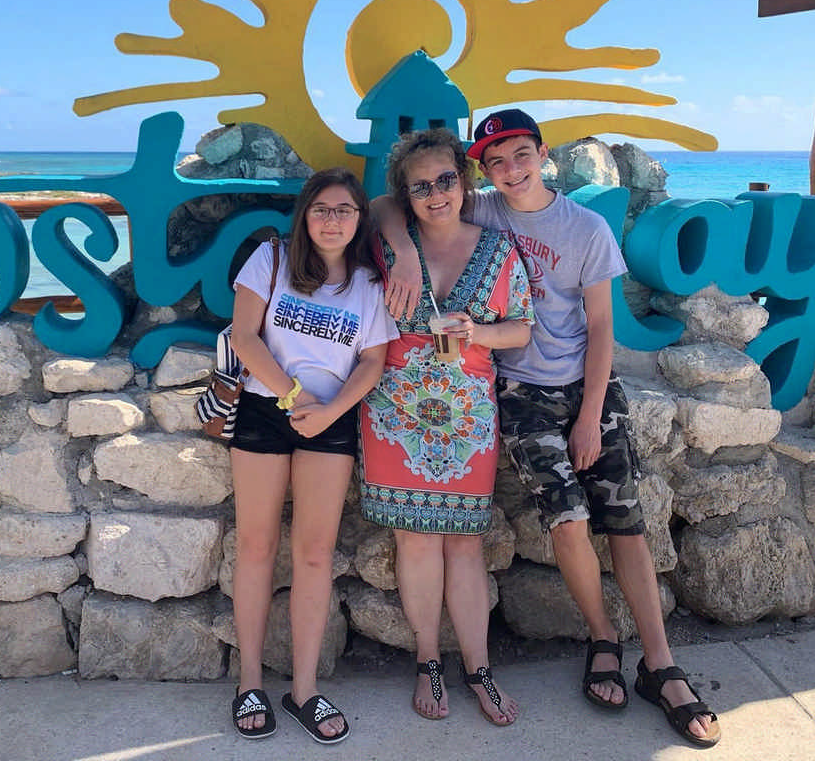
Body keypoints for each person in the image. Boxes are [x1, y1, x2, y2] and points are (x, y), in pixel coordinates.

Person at [377, 109, 721, 749]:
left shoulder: (585, 227)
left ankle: (663, 666)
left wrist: (590, 414)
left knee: (625, 524)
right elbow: (390, 200)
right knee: (567, 520)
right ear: (483, 168)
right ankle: (601, 639)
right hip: (519, 393)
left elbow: (601, 330)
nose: (510, 169)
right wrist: (400, 252)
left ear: (542, 153)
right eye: (496, 160)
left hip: (588, 390)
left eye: (520, 154)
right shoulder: (481, 206)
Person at [361, 129, 534, 726]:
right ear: (406, 196)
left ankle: (479, 670)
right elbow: (370, 206)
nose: (436, 194)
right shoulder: (389, 244)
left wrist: (477, 333)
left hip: (467, 419)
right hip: (394, 413)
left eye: (446, 180)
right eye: (421, 187)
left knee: (465, 544)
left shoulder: (499, 250)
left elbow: (522, 329)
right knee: (414, 540)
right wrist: (404, 251)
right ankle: (429, 661)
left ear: (465, 181)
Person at [228, 167, 397, 744]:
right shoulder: (270, 259)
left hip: (331, 420)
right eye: (322, 209)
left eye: (345, 210)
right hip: (264, 409)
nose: (332, 220)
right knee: (255, 547)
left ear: (359, 219)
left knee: (315, 556)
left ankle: (304, 689)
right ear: (305, 214)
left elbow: (373, 361)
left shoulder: (368, 283)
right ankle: (249, 681)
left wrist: (328, 411)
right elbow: (244, 335)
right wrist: (293, 395)